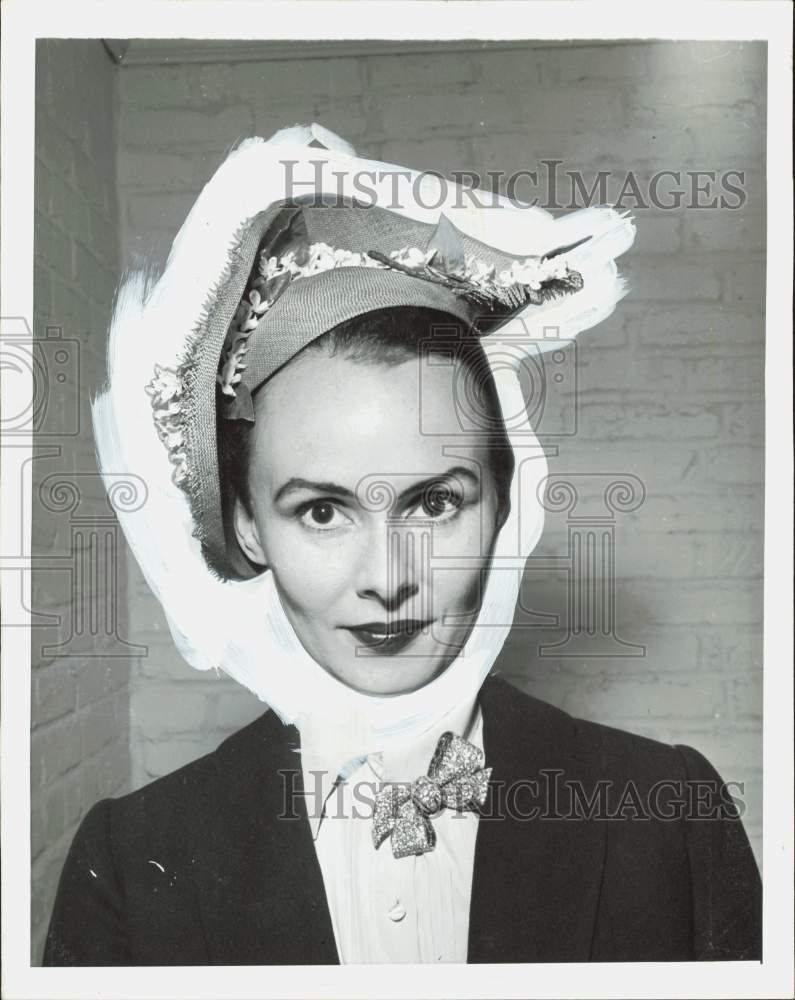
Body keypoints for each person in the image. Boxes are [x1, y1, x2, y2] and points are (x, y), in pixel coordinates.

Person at [44, 124, 761, 966]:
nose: (387, 579)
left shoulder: (669, 816)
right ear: (246, 526)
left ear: (502, 508)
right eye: (321, 512)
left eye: (431, 504)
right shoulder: (128, 864)